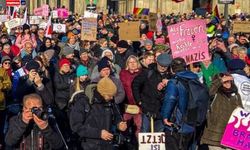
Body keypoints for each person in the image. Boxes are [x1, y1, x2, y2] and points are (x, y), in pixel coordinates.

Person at [69, 77, 127, 150]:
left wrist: (119, 124)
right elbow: (76, 126)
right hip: (89, 145)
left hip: (108, 144)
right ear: (102, 93)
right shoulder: (83, 102)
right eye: (109, 95)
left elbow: (116, 115)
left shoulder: (110, 101)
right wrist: (99, 133)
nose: (112, 98)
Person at [161, 57, 200, 150]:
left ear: (171, 69)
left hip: (178, 124)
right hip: (193, 122)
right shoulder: (196, 79)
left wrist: (165, 117)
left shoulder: (174, 82)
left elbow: (170, 99)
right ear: (185, 67)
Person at [200, 73, 243, 150]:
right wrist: (221, 80)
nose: (227, 83)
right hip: (215, 136)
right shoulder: (216, 94)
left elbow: (241, 114)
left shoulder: (236, 95)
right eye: (224, 82)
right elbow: (209, 91)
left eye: (229, 81)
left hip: (231, 137)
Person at [132, 52, 172, 133]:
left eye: (165, 66)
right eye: (161, 65)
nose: (163, 68)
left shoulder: (170, 76)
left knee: (159, 136)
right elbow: (135, 84)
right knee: (145, 134)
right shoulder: (148, 72)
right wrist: (139, 101)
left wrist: (169, 83)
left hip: (162, 111)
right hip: (147, 109)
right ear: (157, 62)